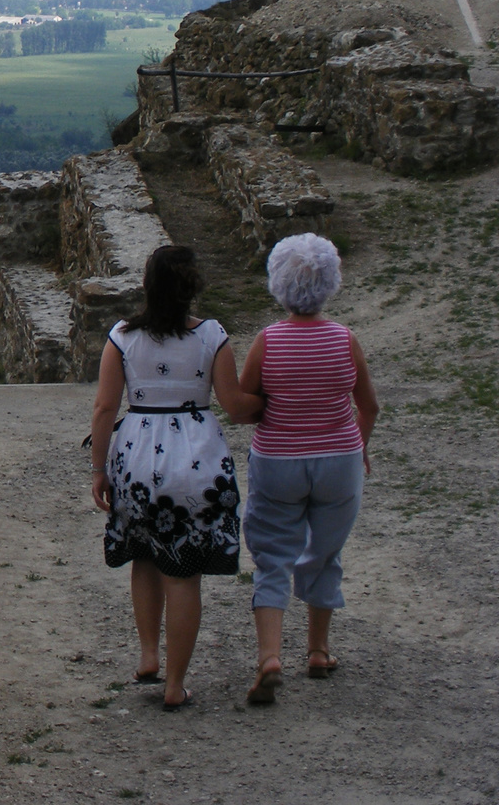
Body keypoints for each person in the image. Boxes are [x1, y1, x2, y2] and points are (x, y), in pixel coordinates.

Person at [89, 245, 265, 710]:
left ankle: (148, 654)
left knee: (144, 557)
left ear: (146, 285)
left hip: (136, 457)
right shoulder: (212, 337)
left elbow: (105, 407)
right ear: (193, 287)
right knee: (183, 574)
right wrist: (275, 404)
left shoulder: (122, 336)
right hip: (194, 459)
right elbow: (233, 402)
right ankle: (175, 683)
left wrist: (98, 469)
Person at [237, 232, 378, 706]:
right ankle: (318, 650)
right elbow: (369, 406)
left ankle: (270, 656)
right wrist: (358, 446)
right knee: (325, 551)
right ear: (329, 281)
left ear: (279, 282)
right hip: (339, 459)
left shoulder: (268, 341)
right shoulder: (344, 339)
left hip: (278, 460)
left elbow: (248, 401)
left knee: (273, 554)